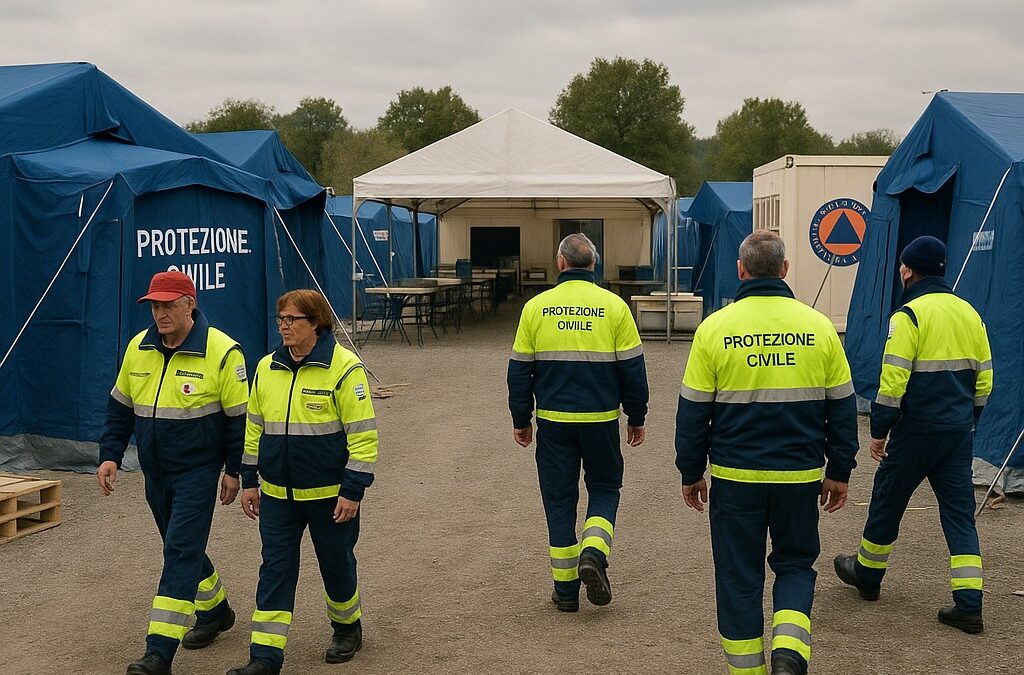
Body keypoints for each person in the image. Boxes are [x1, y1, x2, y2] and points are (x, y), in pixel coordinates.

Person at [676, 230, 858, 675]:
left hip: (736, 479)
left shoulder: (714, 329)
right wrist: (839, 469)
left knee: (739, 577)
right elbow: (844, 407)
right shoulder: (818, 328)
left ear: (741, 271)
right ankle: (789, 658)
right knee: (795, 564)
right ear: (785, 270)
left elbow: (694, 413)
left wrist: (691, 469)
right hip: (799, 478)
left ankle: (748, 670)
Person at [834, 235, 993, 634]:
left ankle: (867, 576)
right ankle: (969, 603)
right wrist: (969, 418)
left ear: (908, 269)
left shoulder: (909, 317)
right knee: (959, 514)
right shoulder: (970, 314)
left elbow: (893, 382)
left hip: (916, 430)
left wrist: (879, 430)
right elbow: (985, 380)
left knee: (888, 500)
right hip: (957, 431)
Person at [97, 270, 248, 675]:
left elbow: (239, 420)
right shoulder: (138, 348)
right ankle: (216, 611)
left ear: (189, 304)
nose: (160, 313)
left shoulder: (223, 351)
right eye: (154, 306)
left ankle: (158, 653)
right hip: (155, 471)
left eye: (168, 305)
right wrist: (110, 454)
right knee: (178, 546)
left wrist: (234, 470)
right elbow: (120, 407)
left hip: (198, 470)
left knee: (180, 551)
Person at [227, 289, 379, 675]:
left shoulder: (345, 368)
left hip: (330, 497)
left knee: (336, 564)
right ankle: (264, 657)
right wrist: (249, 480)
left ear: (316, 323)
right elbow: (254, 428)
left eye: (293, 319)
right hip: (278, 496)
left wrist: (352, 490)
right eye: (281, 319)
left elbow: (363, 435)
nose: (284, 326)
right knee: (275, 570)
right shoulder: (266, 367)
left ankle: (347, 628)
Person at [507, 233, 649, 613]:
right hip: (601, 421)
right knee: (604, 488)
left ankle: (566, 592)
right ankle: (594, 551)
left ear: (560, 263)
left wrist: (522, 419)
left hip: (553, 423)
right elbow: (633, 371)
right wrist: (637, 416)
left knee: (558, 501)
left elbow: (519, 372)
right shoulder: (615, 307)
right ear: (594, 265)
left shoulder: (535, 308)